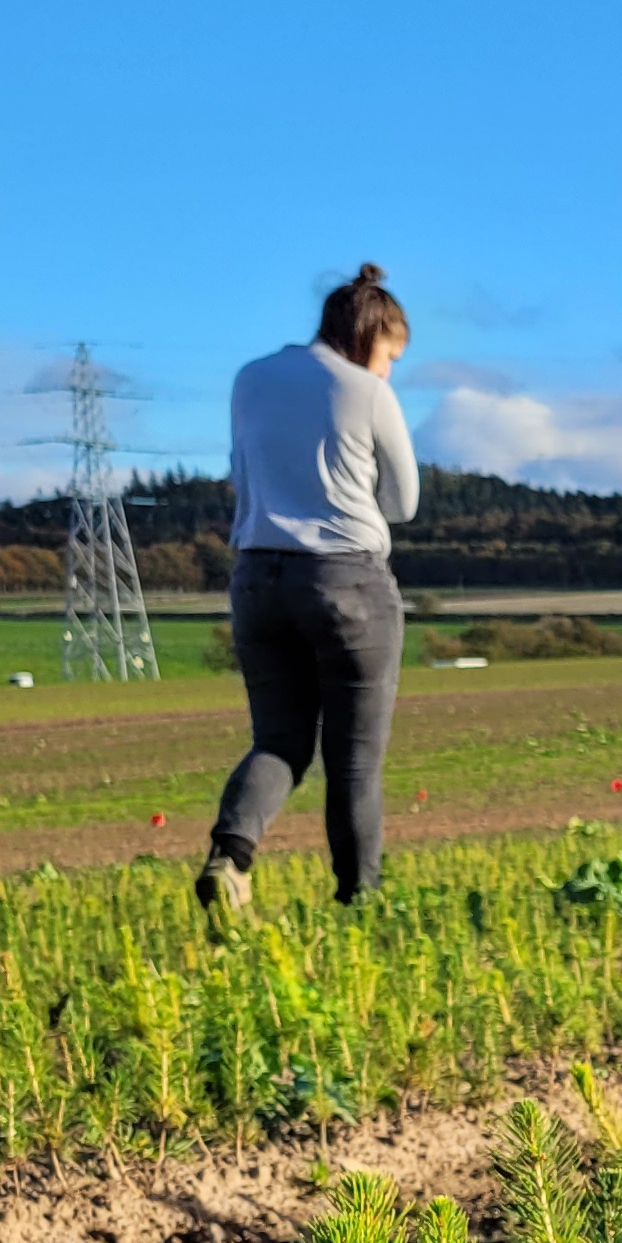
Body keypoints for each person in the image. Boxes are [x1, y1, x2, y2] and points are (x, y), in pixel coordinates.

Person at [198, 264, 419, 925]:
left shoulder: (250, 378)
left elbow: (241, 471)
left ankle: (230, 859)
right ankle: (362, 908)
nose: (388, 374)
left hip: (258, 579)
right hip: (348, 581)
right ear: (370, 337)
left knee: (279, 742)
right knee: (353, 762)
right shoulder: (365, 391)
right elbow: (404, 503)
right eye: (390, 358)